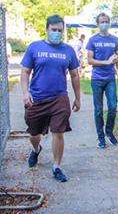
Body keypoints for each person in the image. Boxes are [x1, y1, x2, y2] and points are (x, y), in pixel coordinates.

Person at [20, 15, 81, 182]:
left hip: (59, 98)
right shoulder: (34, 47)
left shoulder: (68, 50)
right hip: (37, 98)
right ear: (47, 29)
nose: (56, 33)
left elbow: (75, 75)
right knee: (34, 133)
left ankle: (56, 166)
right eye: (53, 30)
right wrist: (25, 93)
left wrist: (78, 98)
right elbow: (25, 72)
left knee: (58, 132)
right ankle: (36, 149)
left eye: (60, 31)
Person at [87, 12, 118, 148]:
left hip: (110, 79)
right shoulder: (92, 40)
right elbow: (89, 60)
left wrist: (117, 62)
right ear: (97, 24)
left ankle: (109, 132)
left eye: (106, 21)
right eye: (102, 22)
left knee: (113, 106)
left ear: (109, 23)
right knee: (98, 110)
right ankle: (101, 137)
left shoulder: (115, 39)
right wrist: (106, 62)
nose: (104, 24)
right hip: (97, 79)